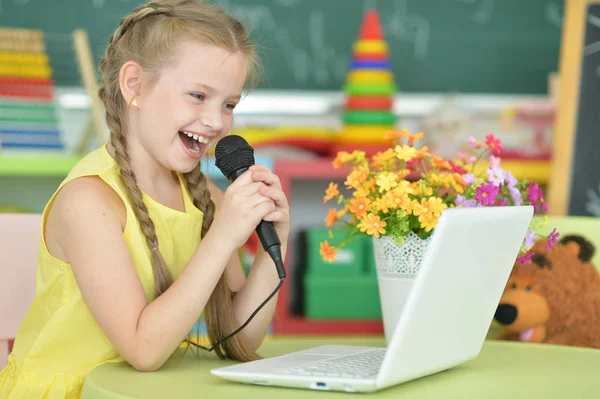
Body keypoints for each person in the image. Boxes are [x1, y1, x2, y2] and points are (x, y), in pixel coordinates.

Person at [0, 0, 289, 397]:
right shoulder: (89, 201)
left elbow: (241, 337)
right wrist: (222, 237)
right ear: (134, 85)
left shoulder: (207, 201)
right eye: (197, 95)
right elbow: (144, 349)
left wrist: (278, 238)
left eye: (229, 104)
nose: (217, 121)